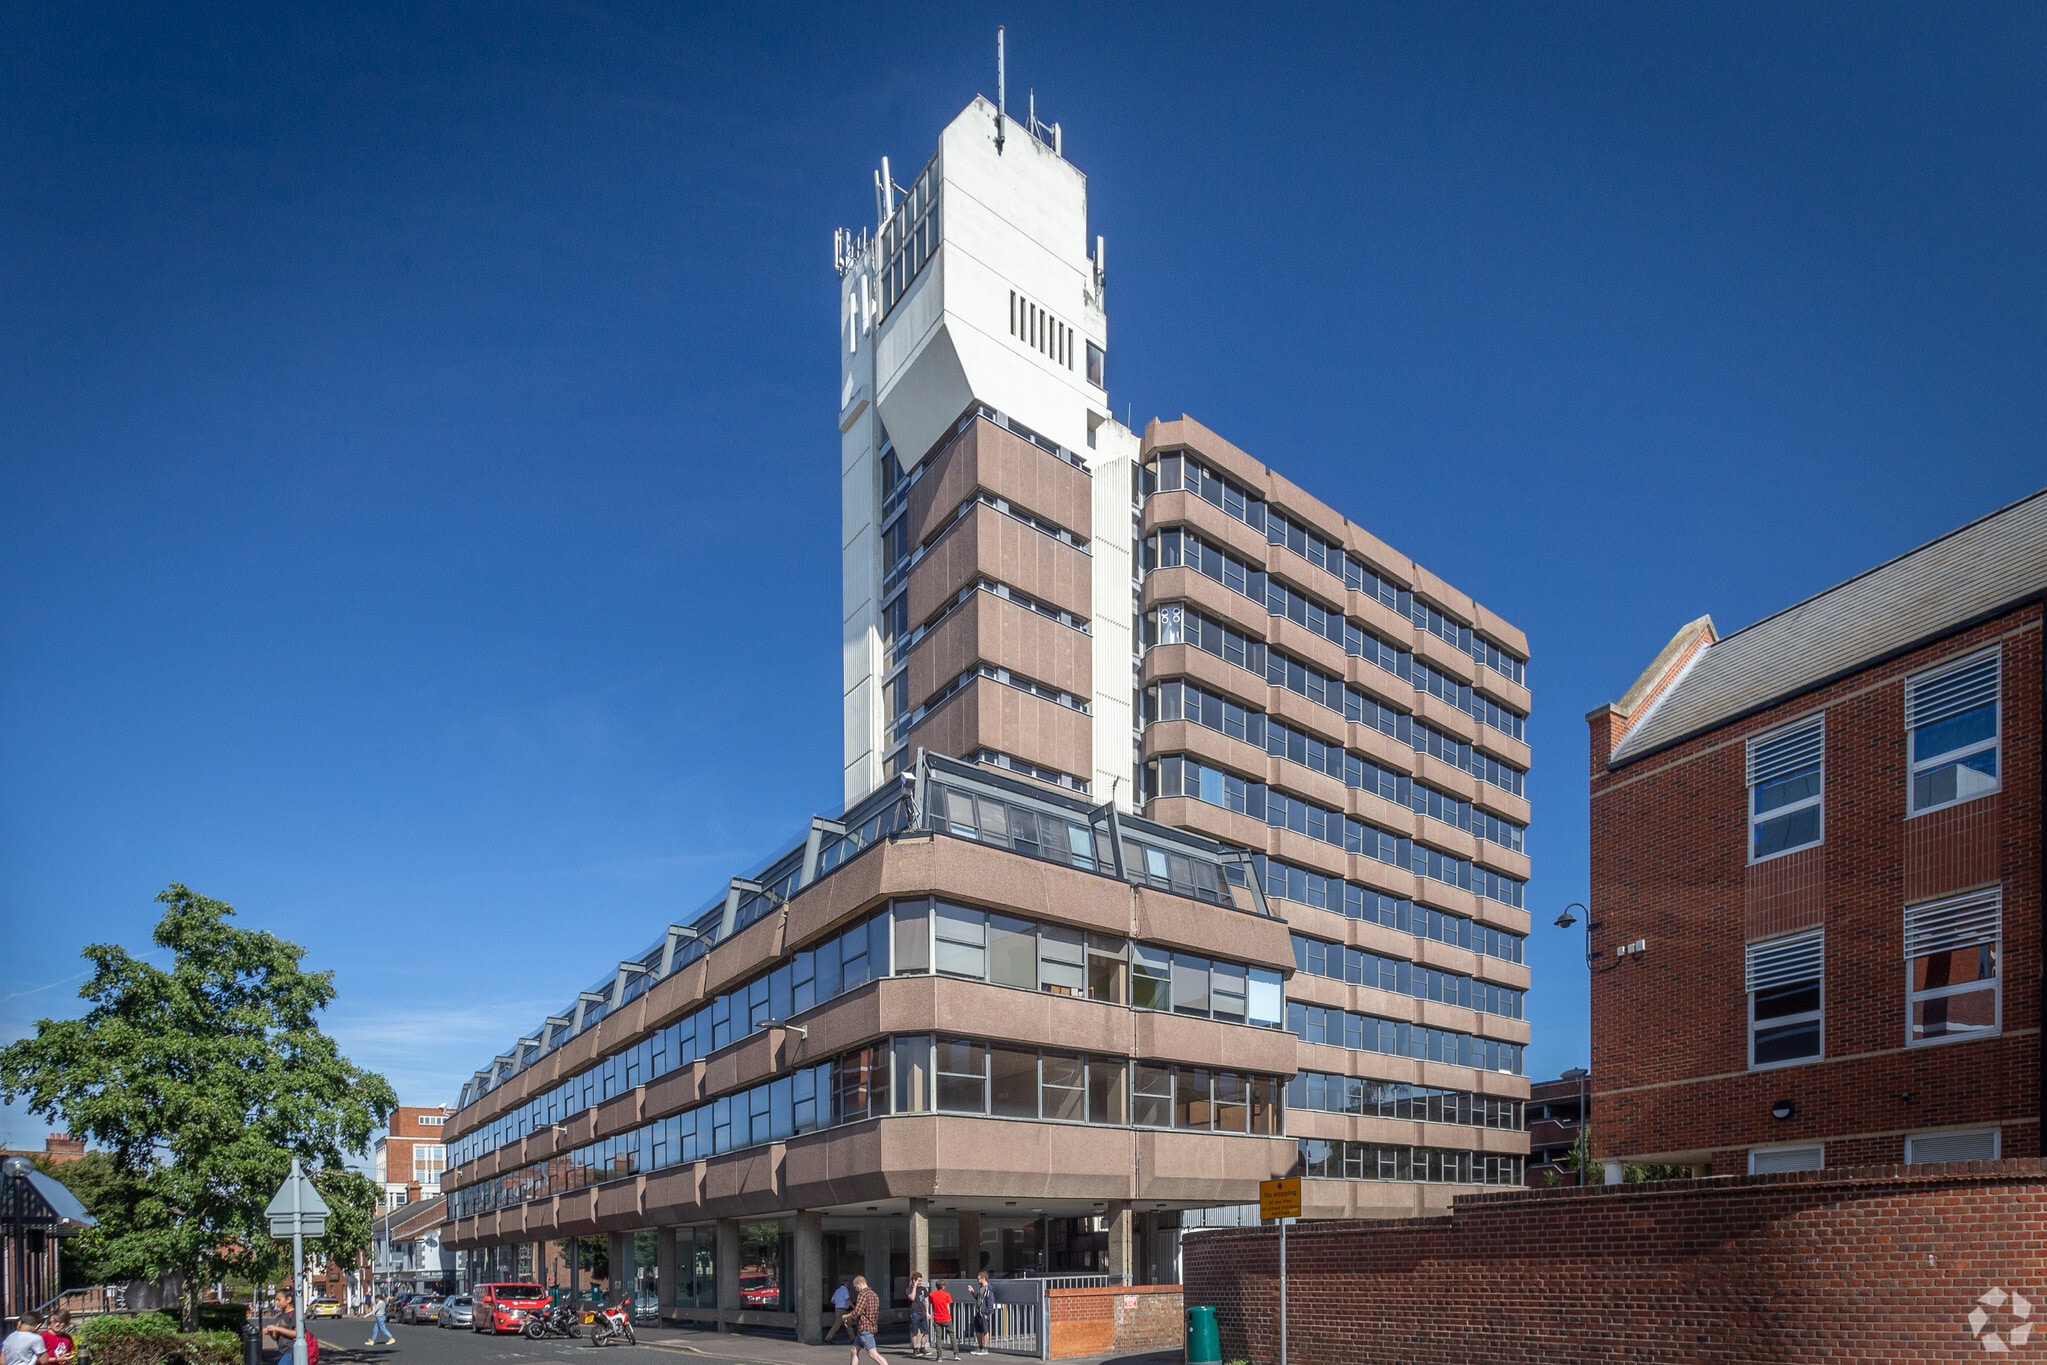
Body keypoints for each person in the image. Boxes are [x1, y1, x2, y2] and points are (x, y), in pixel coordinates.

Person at [844, 1274, 886, 1365]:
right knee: (854, 1350)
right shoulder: (874, 1294)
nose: (855, 1289)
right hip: (869, 1326)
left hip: (865, 1328)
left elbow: (857, 1312)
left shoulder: (862, 1294)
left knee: (873, 1354)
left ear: (859, 1284)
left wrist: (847, 1316)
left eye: (855, 1287)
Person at [926, 1279, 958, 1360]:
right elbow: (948, 1307)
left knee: (938, 1337)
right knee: (952, 1335)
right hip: (946, 1317)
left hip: (937, 1318)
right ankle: (956, 1354)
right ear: (943, 1286)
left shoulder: (932, 1295)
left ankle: (939, 1356)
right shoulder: (947, 1294)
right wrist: (949, 1315)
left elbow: (931, 1304)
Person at [905, 1272, 929, 1358]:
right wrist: (914, 1287)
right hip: (914, 1313)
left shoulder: (923, 1289)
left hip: (922, 1313)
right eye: (919, 1281)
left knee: (926, 1332)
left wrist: (927, 1312)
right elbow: (912, 1298)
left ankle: (923, 1348)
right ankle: (915, 1349)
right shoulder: (909, 1289)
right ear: (914, 1280)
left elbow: (926, 1300)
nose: (920, 1282)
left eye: (921, 1281)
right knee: (914, 1332)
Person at [970, 1272, 994, 1355]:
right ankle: (980, 1347)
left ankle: (985, 1348)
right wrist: (973, 1292)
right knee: (978, 1329)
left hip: (983, 1312)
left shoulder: (988, 1289)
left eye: (979, 1278)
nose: (977, 1280)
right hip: (979, 1312)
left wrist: (987, 1313)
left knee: (985, 1330)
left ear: (983, 1279)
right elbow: (979, 1298)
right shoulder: (981, 1288)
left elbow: (990, 1302)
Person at [825, 1278, 853, 1344]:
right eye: (848, 1284)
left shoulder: (837, 1290)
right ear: (846, 1284)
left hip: (837, 1308)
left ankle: (853, 1338)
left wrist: (838, 1303)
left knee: (847, 1323)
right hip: (842, 1309)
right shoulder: (845, 1290)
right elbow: (848, 1300)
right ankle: (828, 1338)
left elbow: (832, 1300)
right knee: (838, 1324)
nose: (848, 1285)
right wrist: (854, 1307)